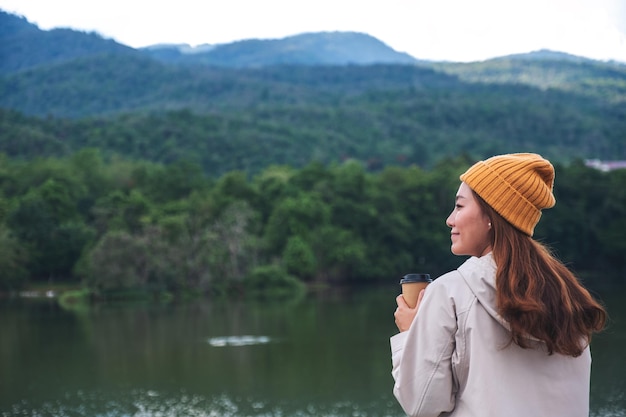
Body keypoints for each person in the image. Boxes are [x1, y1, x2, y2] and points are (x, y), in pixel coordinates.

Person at [390, 153, 607, 417]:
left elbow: (422, 404)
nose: (450, 219)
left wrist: (410, 334)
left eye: (459, 206)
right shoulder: (569, 296)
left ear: (492, 215)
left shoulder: (451, 292)